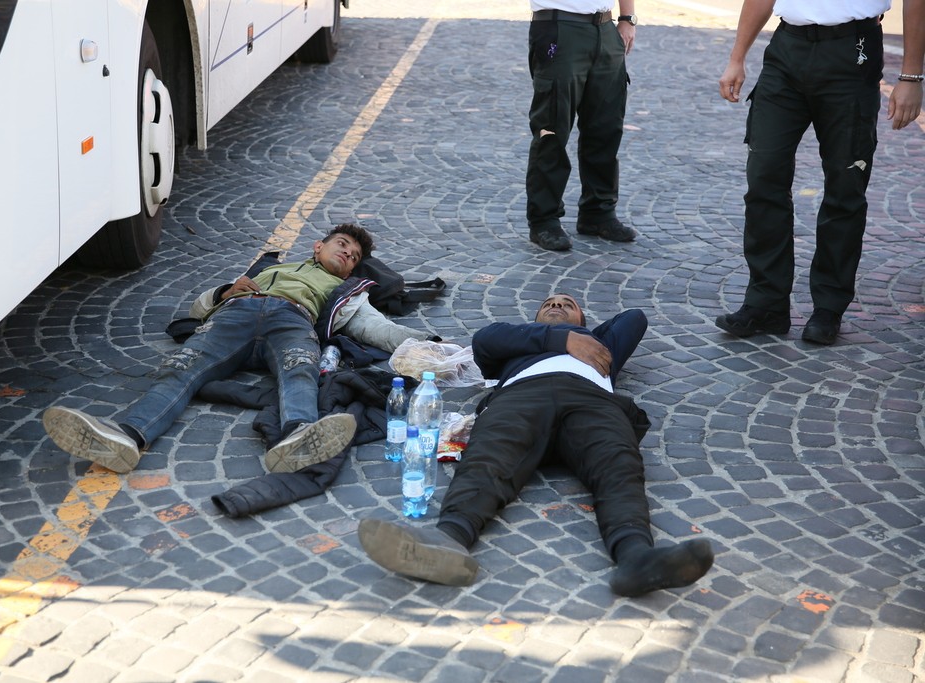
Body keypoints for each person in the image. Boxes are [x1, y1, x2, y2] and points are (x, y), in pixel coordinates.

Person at [358, 295, 714, 597]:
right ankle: (447, 539)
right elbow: (485, 340)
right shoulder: (519, 340)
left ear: (584, 320)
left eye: (568, 304)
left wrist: (584, 335)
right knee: (489, 456)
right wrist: (559, 339)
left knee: (618, 464)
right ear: (535, 318)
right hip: (523, 395)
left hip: (590, 400)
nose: (557, 305)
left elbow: (634, 318)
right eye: (549, 304)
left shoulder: (600, 346)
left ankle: (636, 557)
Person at [43, 224, 434, 475]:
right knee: (182, 366)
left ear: (351, 270)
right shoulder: (269, 270)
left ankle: (298, 436)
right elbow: (198, 309)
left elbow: (377, 328)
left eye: (353, 257)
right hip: (236, 314)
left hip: (292, 321)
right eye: (342, 244)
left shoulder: (347, 290)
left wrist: (430, 347)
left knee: (301, 370)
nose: (347, 253)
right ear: (318, 247)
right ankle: (129, 436)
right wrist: (223, 292)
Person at [715, 0, 924, 345]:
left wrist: (911, 76)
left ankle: (828, 308)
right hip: (786, 50)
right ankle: (766, 303)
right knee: (764, 177)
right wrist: (737, 57)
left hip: (853, 52)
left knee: (845, 187)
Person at [526, 2, 639, 251]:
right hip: (559, 27)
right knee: (552, 129)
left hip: (606, 28)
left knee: (606, 127)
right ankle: (544, 220)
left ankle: (598, 213)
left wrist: (627, 18)